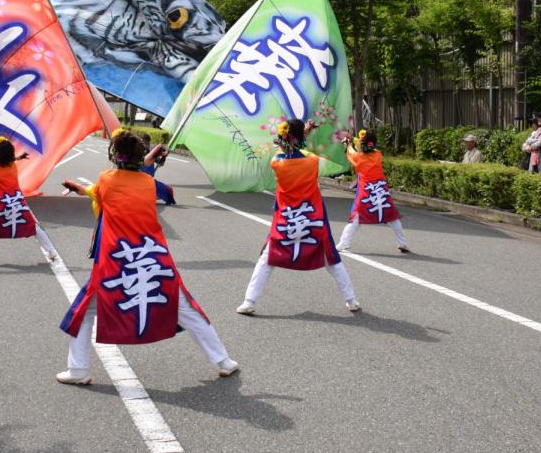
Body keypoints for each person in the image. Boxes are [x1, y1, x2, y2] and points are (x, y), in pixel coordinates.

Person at [57, 128, 237, 385]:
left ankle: (78, 370)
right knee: (183, 307)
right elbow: (146, 182)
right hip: (152, 259)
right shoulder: (148, 183)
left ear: (115, 156)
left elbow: (100, 191)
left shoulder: (106, 179)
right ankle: (223, 360)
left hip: (116, 263)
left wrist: (80, 188)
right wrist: (149, 161)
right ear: (139, 157)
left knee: (84, 313)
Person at [237, 119, 359, 315]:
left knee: (267, 258)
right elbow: (302, 151)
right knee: (332, 261)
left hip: (287, 219)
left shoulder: (276, 162)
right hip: (312, 218)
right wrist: (306, 134)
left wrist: (301, 134)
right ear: (298, 137)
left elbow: (289, 151)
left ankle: (249, 301)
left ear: (282, 137)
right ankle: (351, 300)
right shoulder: (312, 162)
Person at [0, 136, 59, 266]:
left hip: (1, 204)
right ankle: (51, 252)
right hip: (17, 203)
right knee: (34, 227)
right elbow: (10, 160)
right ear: (12, 155)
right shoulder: (13, 166)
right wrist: (20, 158)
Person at [335, 129, 409, 253]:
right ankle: (402, 243)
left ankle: (344, 243)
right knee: (392, 217)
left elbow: (351, 151)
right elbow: (363, 146)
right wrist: (352, 139)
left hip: (366, 193)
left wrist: (347, 143)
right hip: (381, 192)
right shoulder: (378, 154)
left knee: (356, 217)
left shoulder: (358, 158)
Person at [138, 133, 176, 205]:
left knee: (166, 193)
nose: (146, 146)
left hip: (149, 180)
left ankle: (164, 190)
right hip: (138, 180)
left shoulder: (151, 153)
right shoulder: (136, 152)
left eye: (147, 144)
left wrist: (163, 157)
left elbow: (160, 163)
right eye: (144, 143)